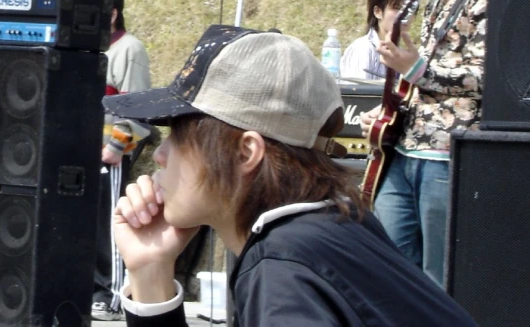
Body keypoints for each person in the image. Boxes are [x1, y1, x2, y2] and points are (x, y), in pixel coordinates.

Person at [105, 24, 477, 326]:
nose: (161, 154)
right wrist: (151, 270)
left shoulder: (283, 272)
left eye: (180, 136)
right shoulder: (338, 226)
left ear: (246, 152)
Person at [360, 0, 491, 286]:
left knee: (439, 276)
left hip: (449, 151)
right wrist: (386, 112)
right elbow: (418, 67)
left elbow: (488, 75)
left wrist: (416, 69)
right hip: (407, 143)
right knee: (392, 267)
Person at [91, 0, 151, 321]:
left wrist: (116, 147)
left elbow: (136, 104)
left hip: (107, 152)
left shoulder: (130, 49)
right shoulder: (87, 48)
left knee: (106, 225)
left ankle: (111, 295)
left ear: (113, 14)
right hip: (78, 150)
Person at [340, 0, 414, 80]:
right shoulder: (363, 49)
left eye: (410, 9)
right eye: (396, 8)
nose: (405, 14)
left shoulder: (402, 57)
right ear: (378, 12)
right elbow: (357, 94)